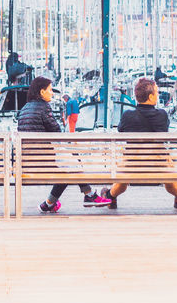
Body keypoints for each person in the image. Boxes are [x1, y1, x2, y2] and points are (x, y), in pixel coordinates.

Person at [97, 77, 177, 210]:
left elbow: (121, 129)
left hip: (131, 164)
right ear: (150, 97)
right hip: (159, 165)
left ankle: (109, 196)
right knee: (168, 171)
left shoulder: (127, 115)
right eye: (157, 93)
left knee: (123, 176)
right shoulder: (162, 115)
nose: (158, 95)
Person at [17, 76, 110, 212]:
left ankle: (49, 203)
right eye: (49, 90)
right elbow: (56, 131)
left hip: (27, 161)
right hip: (43, 161)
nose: (52, 93)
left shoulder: (24, 108)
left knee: (69, 165)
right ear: (42, 92)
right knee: (72, 163)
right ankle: (89, 195)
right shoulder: (43, 107)